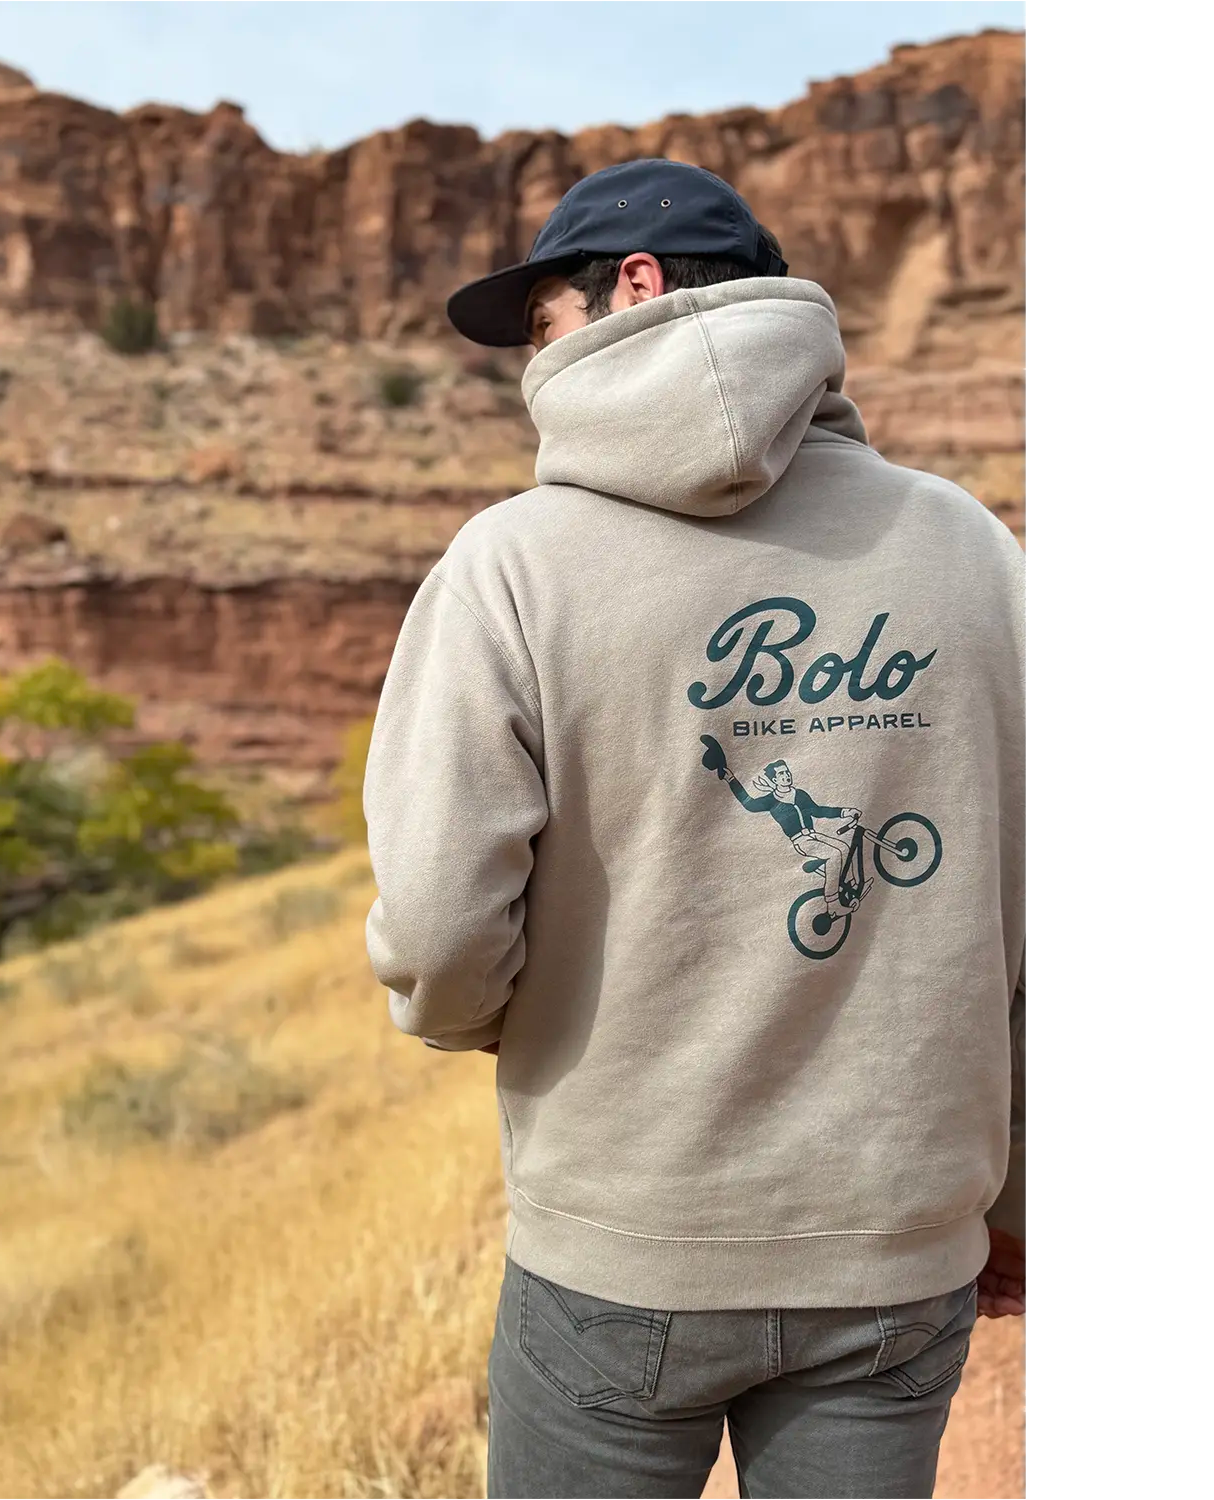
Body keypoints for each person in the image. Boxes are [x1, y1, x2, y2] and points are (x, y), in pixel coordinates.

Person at [362, 158, 1024, 1500]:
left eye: (541, 322)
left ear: (634, 289)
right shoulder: (972, 550)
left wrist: (472, 1016)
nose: (528, 363)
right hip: (897, 1245)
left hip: (628, 1238)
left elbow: (438, 924)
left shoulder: (513, 563)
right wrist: (1019, 1188)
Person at [717, 754, 869, 919]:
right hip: (801, 841)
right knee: (834, 856)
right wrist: (731, 779)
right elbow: (749, 803)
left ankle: (852, 886)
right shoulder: (771, 800)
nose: (786, 775)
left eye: (786, 772)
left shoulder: (800, 794)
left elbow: (818, 810)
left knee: (845, 847)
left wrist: (845, 812)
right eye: (781, 774)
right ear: (774, 780)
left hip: (815, 835)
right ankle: (833, 905)